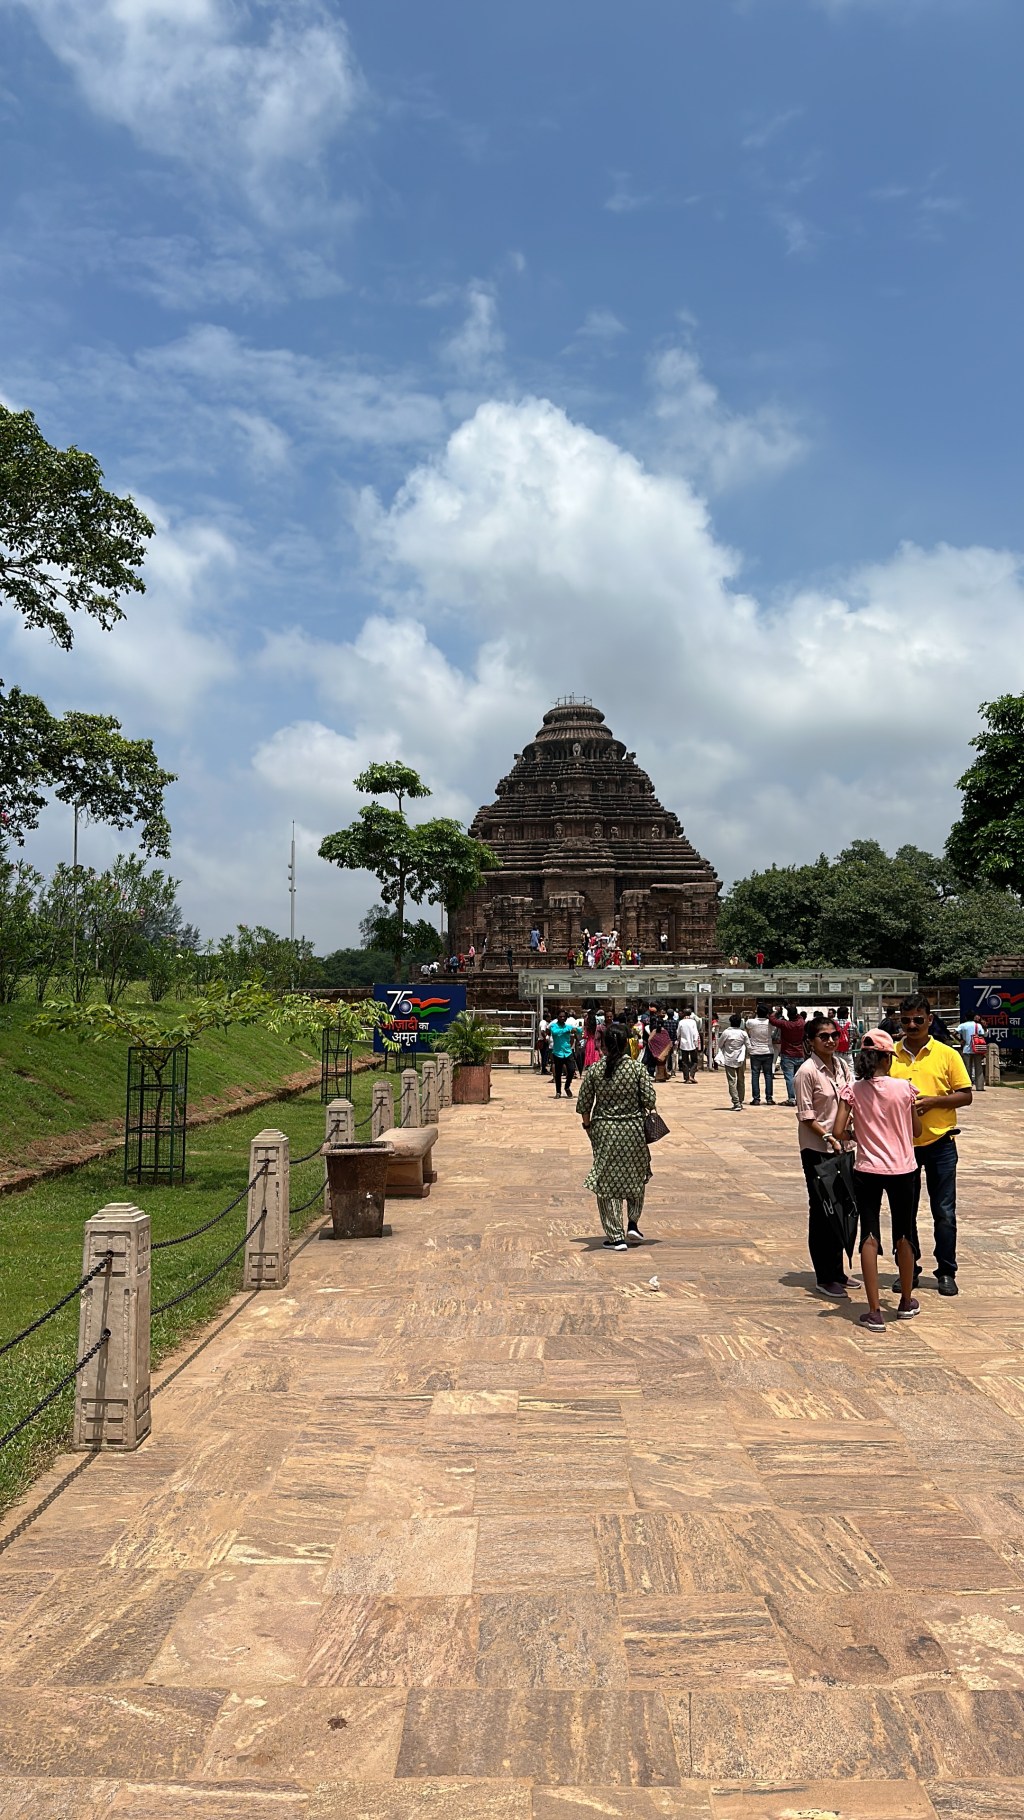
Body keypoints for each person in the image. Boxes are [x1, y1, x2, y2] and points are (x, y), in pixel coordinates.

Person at [832, 1029, 923, 1331]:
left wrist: (857, 1134)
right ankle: (906, 1301)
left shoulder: (854, 1089)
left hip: (867, 1169)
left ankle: (873, 1311)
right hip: (903, 1169)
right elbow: (917, 1130)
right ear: (887, 1058)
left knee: (869, 1234)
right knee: (904, 1232)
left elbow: (837, 1129)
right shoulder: (904, 1088)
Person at [890, 994, 973, 1297]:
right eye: (906, 1019)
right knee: (904, 1212)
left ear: (930, 1019)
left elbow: (965, 1095)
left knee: (944, 1211)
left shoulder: (946, 1054)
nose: (912, 1025)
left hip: (940, 1141)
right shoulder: (891, 1055)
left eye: (918, 1019)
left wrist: (935, 1100)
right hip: (902, 1145)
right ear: (899, 1020)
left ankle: (947, 1271)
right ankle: (908, 1270)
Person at [577, 1022, 657, 1250]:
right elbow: (650, 1100)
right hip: (633, 1130)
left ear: (605, 1044)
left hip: (604, 1131)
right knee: (635, 1175)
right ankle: (632, 1221)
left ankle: (615, 1236)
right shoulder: (637, 1069)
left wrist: (588, 1126)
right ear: (625, 1044)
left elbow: (584, 1104)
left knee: (607, 1183)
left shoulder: (594, 1070)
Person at [794, 1014, 855, 1298]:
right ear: (810, 1042)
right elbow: (806, 1115)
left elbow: (850, 1101)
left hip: (843, 1148)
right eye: (824, 1036)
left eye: (834, 1035)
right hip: (818, 1149)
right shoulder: (807, 1072)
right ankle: (824, 1274)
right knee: (822, 1210)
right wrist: (829, 1136)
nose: (831, 1040)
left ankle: (838, 1270)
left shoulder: (842, 1066)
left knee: (842, 1207)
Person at [770, 1002, 807, 1105]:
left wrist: (776, 1011)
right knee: (798, 1078)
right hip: (799, 1053)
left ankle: (792, 1098)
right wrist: (790, 1008)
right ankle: (800, 1098)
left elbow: (772, 1020)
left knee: (789, 1078)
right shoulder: (801, 1022)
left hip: (787, 1054)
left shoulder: (785, 1024)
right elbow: (798, 1016)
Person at [717, 1012, 752, 1111]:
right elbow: (748, 1045)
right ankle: (740, 1100)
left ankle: (736, 1102)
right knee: (741, 1080)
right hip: (741, 1058)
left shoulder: (726, 1033)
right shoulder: (743, 1033)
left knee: (732, 1081)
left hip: (729, 1058)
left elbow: (720, 1044)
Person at [745, 999, 776, 1106]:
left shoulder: (751, 1022)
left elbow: (747, 1027)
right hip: (768, 1050)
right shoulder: (770, 1023)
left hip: (755, 1051)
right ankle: (769, 1098)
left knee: (755, 1075)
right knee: (768, 1075)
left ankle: (756, 1098)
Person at [549, 1010, 579, 1099]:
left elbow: (579, 1030)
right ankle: (558, 1092)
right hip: (557, 1052)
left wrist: (576, 1029)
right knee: (558, 1073)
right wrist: (568, 1029)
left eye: (564, 1017)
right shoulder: (554, 1026)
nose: (562, 1018)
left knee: (571, 1070)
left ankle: (567, 1086)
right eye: (560, 1016)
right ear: (557, 1017)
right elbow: (555, 1033)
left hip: (567, 1052)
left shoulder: (568, 1026)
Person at [956, 1012, 988, 1092]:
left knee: (967, 1068)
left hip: (966, 1049)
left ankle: (967, 1086)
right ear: (974, 1017)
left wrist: (960, 1040)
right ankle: (980, 1087)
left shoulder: (963, 1025)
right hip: (977, 1049)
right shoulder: (978, 1025)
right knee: (979, 1067)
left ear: (966, 1017)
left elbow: (954, 1033)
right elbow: (983, 1034)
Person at [677, 1006, 700, 1082]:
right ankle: (691, 1075)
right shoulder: (693, 1022)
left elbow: (678, 1033)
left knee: (684, 1061)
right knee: (695, 1061)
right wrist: (696, 1043)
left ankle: (687, 1078)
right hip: (693, 1044)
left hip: (683, 1044)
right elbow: (695, 1033)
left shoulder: (681, 1022)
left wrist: (678, 1039)